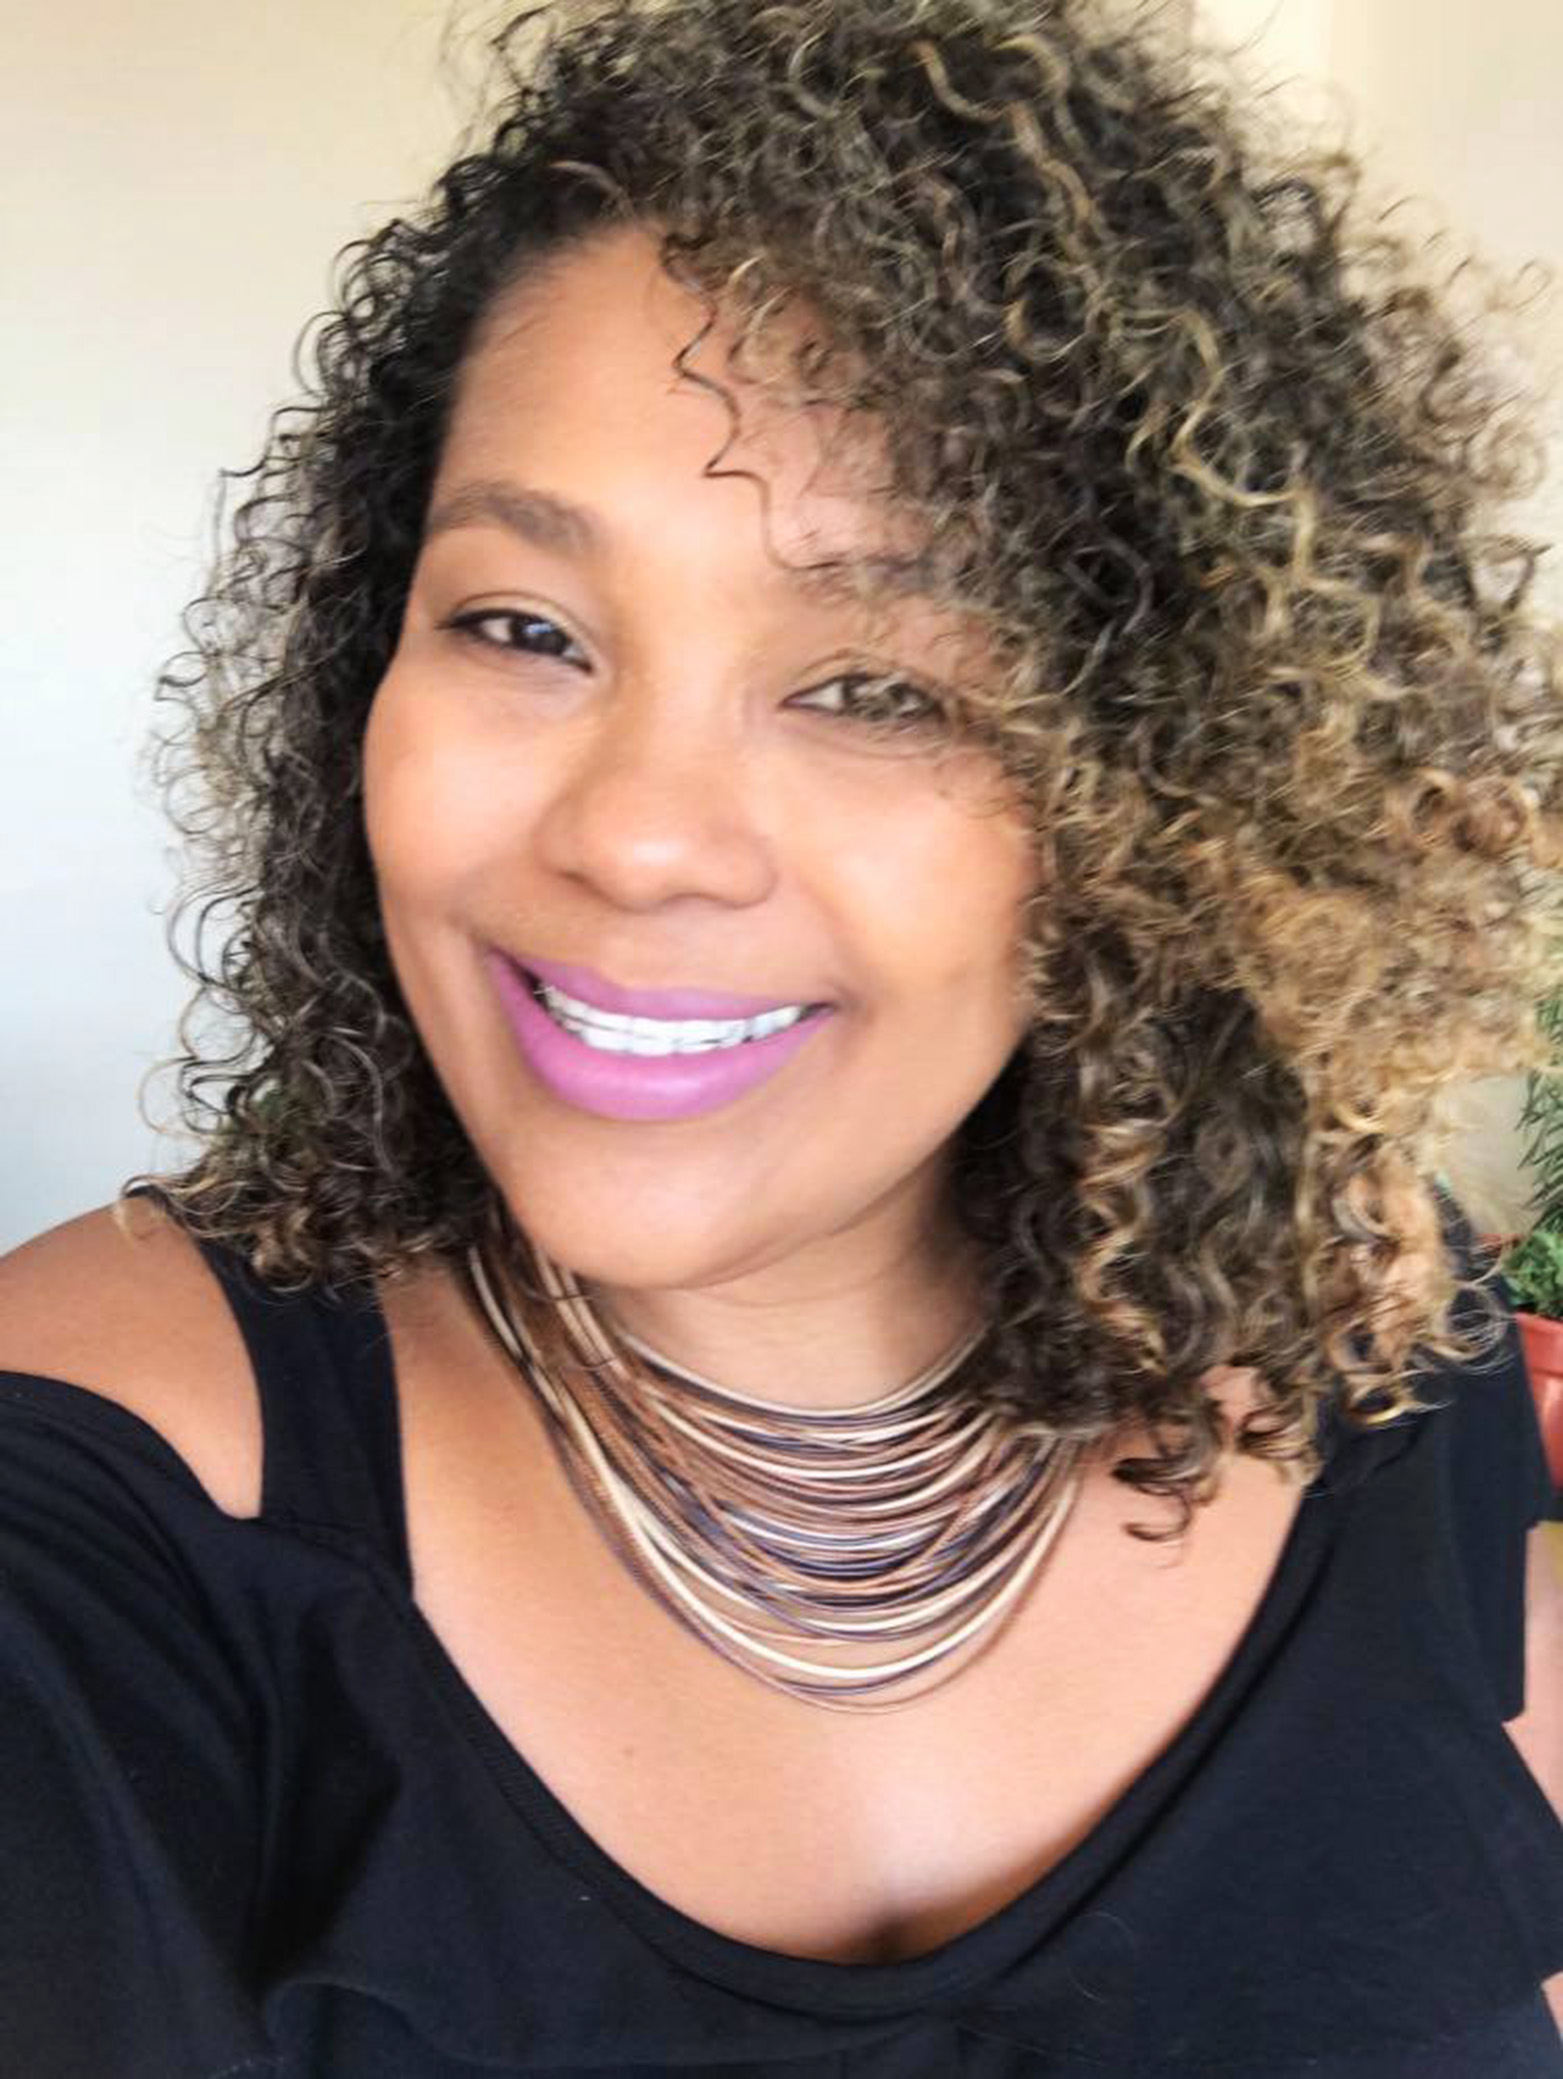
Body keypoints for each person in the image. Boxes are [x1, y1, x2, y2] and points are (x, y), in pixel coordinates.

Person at [2, 0, 1561, 2070]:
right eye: (522, 627)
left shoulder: (1376, 1327)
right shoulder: (99, 1508)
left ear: (1173, 789)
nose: (635, 837)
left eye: (877, 687)